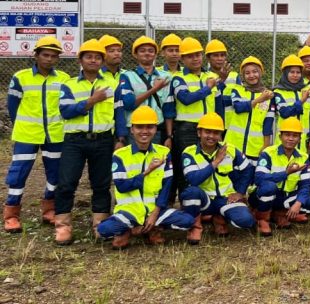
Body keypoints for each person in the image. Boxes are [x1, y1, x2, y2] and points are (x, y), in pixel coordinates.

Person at [96, 106, 194, 250]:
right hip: (130, 211)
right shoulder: (120, 155)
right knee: (104, 229)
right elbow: (122, 186)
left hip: (155, 210)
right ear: (132, 129)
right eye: (139, 127)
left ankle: (153, 227)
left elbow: (166, 187)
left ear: (155, 129)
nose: (144, 131)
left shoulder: (164, 152)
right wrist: (147, 172)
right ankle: (131, 229)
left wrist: (155, 213)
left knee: (188, 221)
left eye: (149, 127)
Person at [54, 39, 120, 245]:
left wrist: (120, 138)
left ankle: (100, 224)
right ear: (80, 60)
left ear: (102, 61)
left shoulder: (111, 85)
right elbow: (66, 111)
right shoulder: (69, 84)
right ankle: (63, 225)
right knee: (66, 183)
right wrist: (92, 100)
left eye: (97, 57)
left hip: (103, 140)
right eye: (88, 57)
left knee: (101, 184)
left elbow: (118, 113)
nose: (93, 60)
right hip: (75, 141)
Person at [3, 36, 70, 233]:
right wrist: (22, 126)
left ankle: (50, 209)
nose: (49, 59)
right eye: (45, 55)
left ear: (58, 58)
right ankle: (11, 214)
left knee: (55, 173)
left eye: (53, 56)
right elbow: (13, 106)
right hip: (27, 134)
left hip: (55, 134)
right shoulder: (20, 77)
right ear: (36, 55)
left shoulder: (64, 78)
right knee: (18, 174)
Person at [180, 113, 255, 244]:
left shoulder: (230, 149)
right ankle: (195, 227)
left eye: (216, 133)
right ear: (199, 133)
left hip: (225, 198)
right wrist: (216, 161)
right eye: (207, 132)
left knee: (246, 221)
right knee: (190, 192)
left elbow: (248, 169)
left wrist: (240, 192)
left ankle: (219, 217)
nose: (211, 136)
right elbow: (193, 179)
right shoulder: (189, 152)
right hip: (204, 200)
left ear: (220, 135)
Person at [164, 37, 222, 204]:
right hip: (187, 130)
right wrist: (207, 88)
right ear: (182, 59)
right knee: (186, 168)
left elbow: (218, 106)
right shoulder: (178, 78)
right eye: (190, 56)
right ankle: (187, 205)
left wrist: (221, 129)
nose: (195, 59)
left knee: (207, 164)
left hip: (210, 128)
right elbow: (186, 99)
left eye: (197, 55)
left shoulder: (212, 76)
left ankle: (205, 204)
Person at [251, 117, 310, 234]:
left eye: (295, 136)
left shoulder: (303, 157)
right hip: (264, 195)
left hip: (285, 197)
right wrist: (286, 173)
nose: (291, 139)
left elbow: (306, 184)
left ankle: (279, 214)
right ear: (280, 136)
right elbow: (259, 179)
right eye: (287, 135)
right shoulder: (268, 153)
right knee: (269, 187)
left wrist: (298, 203)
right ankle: (262, 219)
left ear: (299, 139)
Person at [115, 36, 171, 146]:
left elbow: (169, 107)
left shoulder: (166, 76)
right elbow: (129, 103)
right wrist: (154, 89)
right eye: (142, 51)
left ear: (155, 55)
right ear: (135, 54)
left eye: (151, 51)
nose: (147, 53)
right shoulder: (127, 76)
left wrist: (169, 136)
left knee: (156, 157)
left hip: (157, 128)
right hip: (135, 129)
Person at [225, 57, 273, 166]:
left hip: (255, 148)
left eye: (255, 71)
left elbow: (268, 123)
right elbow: (238, 107)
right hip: (233, 145)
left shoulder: (268, 96)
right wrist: (259, 100)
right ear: (243, 76)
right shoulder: (237, 90)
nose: (251, 75)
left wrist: (266, 145)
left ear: (261, 72)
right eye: (247, 73)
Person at [267, 54, 310, 156]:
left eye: (298, 72)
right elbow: (285, 113)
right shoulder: (278, 92)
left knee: (301, 165)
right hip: (284, 142)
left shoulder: (307, 90)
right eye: (292, 72)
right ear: (285, 73)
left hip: (302, 142)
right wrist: (301, 101)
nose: (295, 75)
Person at [205, 39, 241, 131]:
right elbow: (209, 99)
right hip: (212, 124)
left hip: (231, 125)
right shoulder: (205, 76)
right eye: (216, 55)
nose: (220, 58)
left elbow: (240, 99)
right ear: (208, 58)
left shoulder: (234, 76)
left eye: (222, 55)